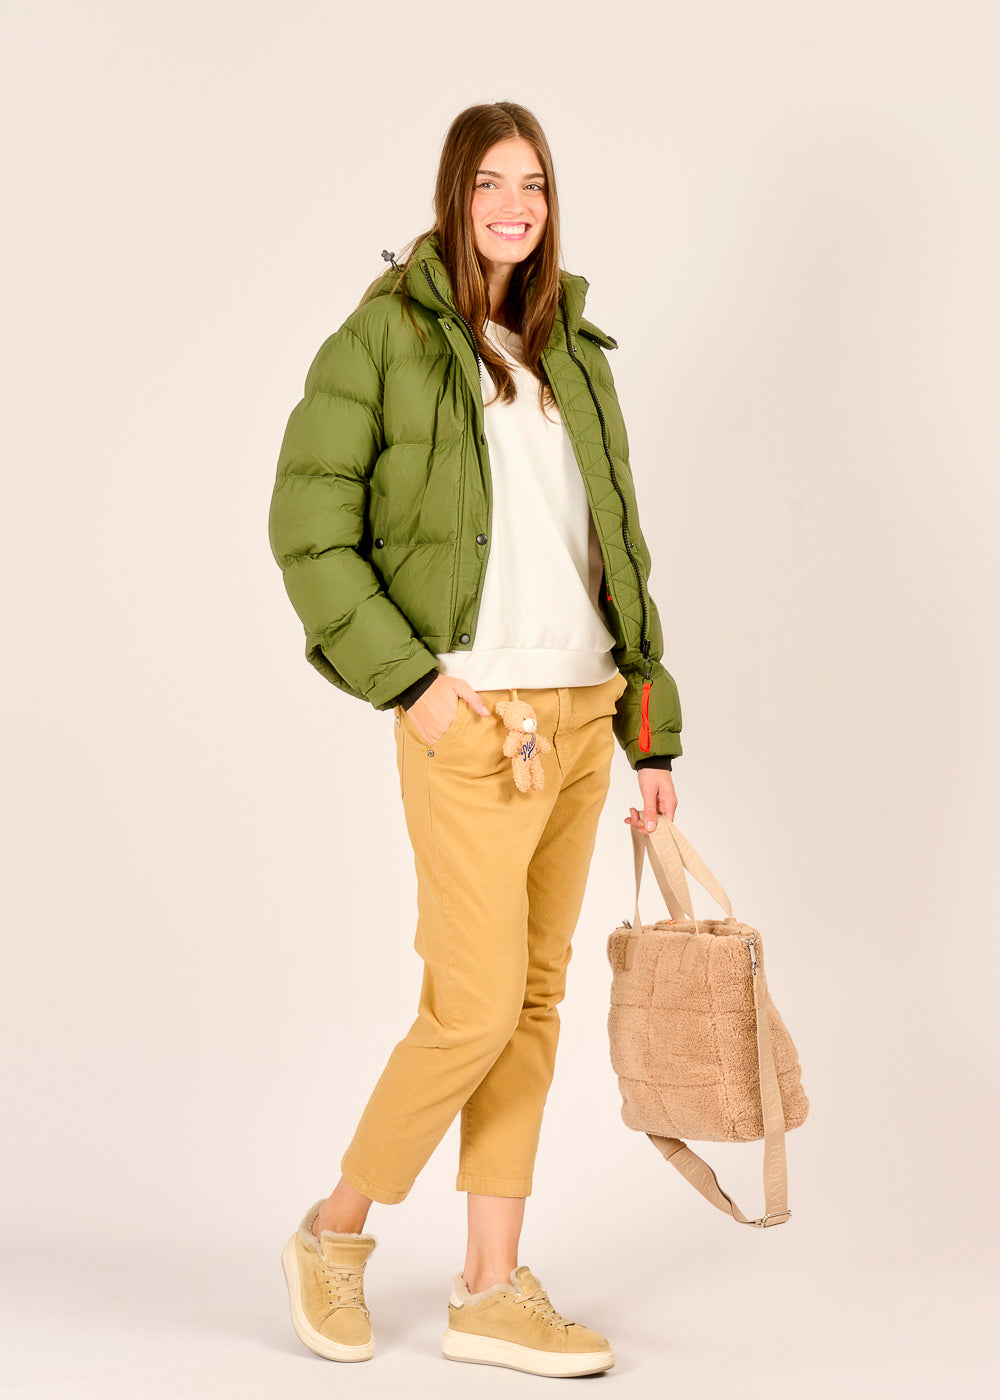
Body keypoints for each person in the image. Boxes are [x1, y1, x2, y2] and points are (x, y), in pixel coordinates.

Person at [267, 100, 683, 1379]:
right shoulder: (381, 338)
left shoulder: (573, 352)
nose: (515, 204)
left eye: (535, 183)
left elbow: (616, 551)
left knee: (534, 1003)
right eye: (492, 181)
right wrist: (412, 684)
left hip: (582, 715)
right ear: (453, 194)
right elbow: (307, 528)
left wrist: (649, 727)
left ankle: (490, 1287)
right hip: (476, 725)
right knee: (474, 1004)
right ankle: (335, 1229)